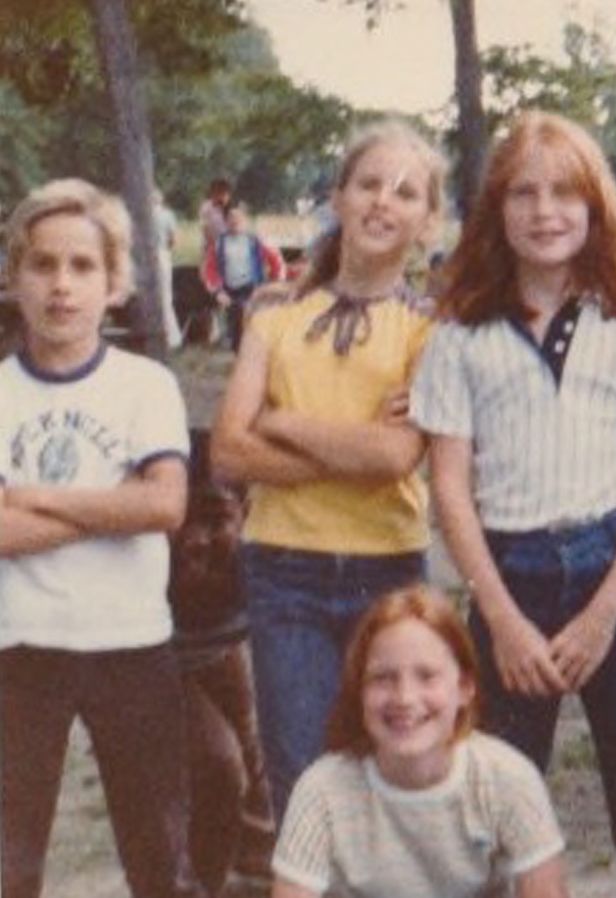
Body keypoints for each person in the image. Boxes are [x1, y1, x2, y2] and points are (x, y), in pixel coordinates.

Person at [410, 110, 616, 856]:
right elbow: (449, 488)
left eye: (565, 194)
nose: (545, 213)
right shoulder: (458, 333)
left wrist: (605, 613)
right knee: (494, 809)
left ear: (596, 208)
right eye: (523, 195)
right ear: (494, 212)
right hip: (511, 577)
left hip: (615, 578)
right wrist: (499, 617)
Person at [212, 120, 445, 819]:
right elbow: (227, 453)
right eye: (368, 183)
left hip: (389, 567)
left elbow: (395, 458)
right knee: (306, 776)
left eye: (405, 193)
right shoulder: (276, 320)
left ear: (427, 222)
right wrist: (351, 446)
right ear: (338, 197)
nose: (383, 202)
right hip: (286, 570)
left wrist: (280, 423)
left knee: (402, 769)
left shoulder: (432, 331)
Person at [0, 178, 202, 898]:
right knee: (10, 861)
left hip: (129, 642)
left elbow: (162, 504)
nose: (61, 286)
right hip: (19, 646)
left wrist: (34, 498)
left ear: (115, 282)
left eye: (82, 267)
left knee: (159, 860)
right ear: (13, 276)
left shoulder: (143, 385)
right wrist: (106, 504)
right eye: (42, 265)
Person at [271, 585, 569, 898]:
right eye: (383, 678)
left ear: (465, 686)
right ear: (358, 691)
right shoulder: (322, 792)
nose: (405, 697)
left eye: (427, 676)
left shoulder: (508, 779)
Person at [171, 428, 276, 893]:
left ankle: (257, 866)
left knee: (259, 750)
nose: (195, 538)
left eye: (214, 518)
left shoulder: (259, 555)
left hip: (223, 645)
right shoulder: (153, 559)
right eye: (182, 520)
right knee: (219, 762)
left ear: (246, 512)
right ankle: (201, 883)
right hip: (160, 657)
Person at [201, 202, 286, 351]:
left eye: (238, 218)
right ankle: (239, 358)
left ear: (245, 220)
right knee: (235, 330)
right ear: (225, 221)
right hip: (230, 292)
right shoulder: (219, 244)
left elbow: (277, 261)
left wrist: (274, 285)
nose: (235, 221)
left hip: (252, 289)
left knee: (252, 325)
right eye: (231, 218)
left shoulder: (256, 241)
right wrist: (218, 292)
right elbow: (209, 270)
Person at [154, 188, 184, 348]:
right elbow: (174, 240)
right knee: (165, 296)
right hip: (162, 254)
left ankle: (165, 334)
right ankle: (172, 336)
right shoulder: (167, 215)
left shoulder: (140, 215)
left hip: (147, 256)